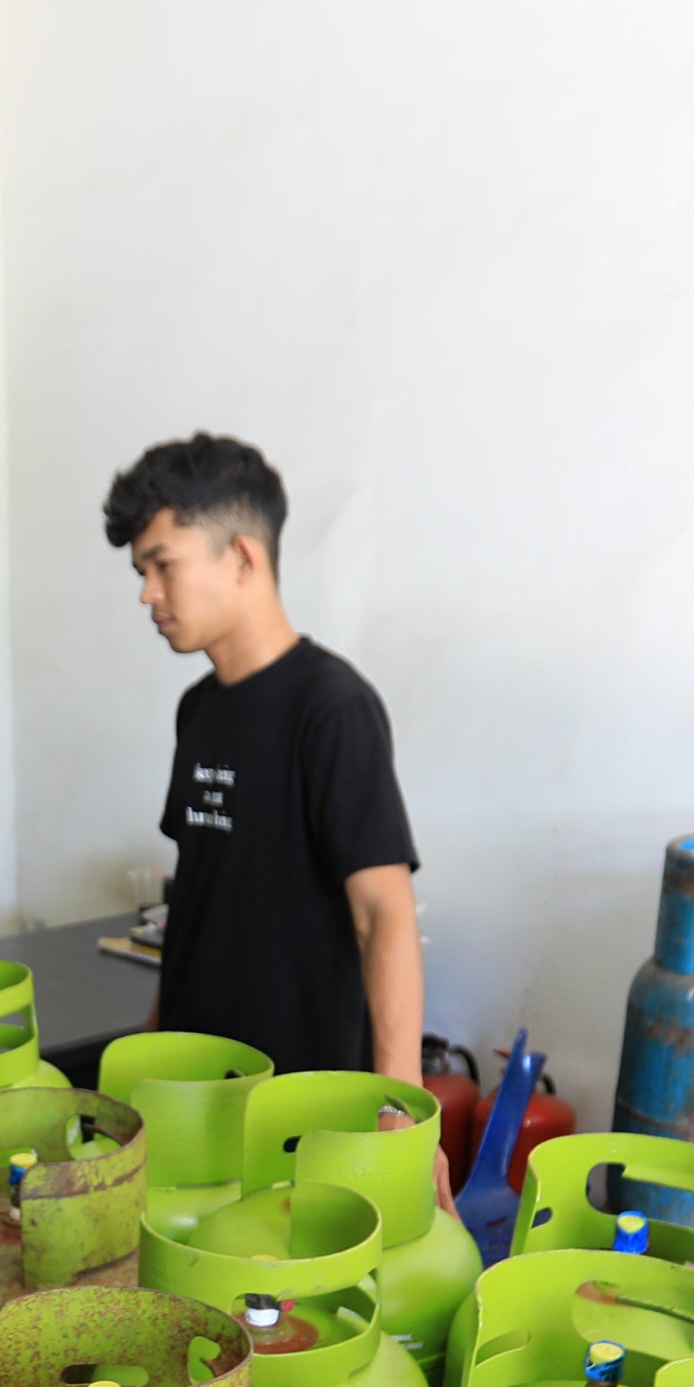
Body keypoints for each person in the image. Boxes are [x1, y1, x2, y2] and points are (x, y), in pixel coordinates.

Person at [105, 432, 424, 1082]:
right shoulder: (197, 709)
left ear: (242, 558)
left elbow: (382, 912)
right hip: (196, 1086)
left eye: (163, 565)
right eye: (142, 572)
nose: (148, 594)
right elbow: (195, 899)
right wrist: (152, 1051)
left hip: (299, 1094)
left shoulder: (331, 708)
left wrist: (401, 1108)